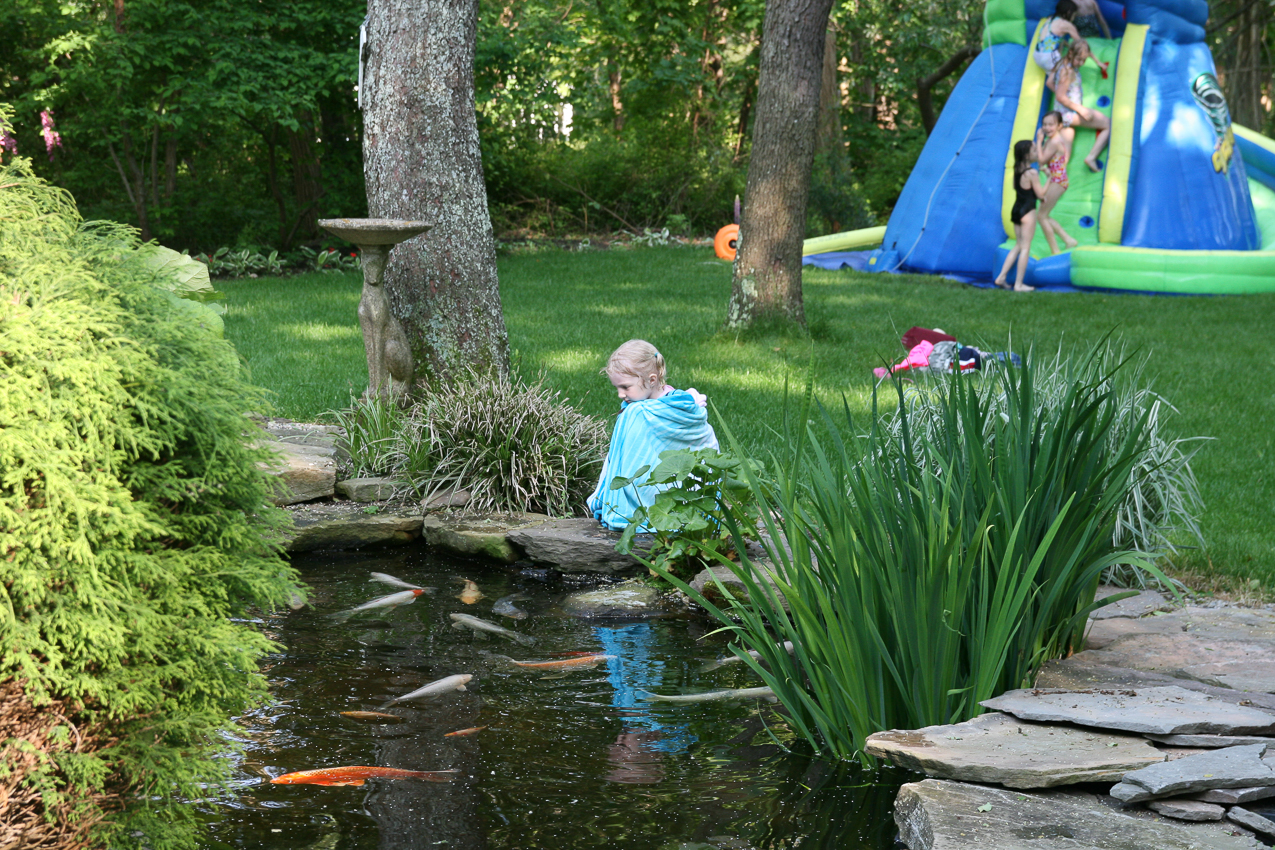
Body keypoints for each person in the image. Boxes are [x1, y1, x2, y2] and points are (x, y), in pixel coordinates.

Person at [586, 340, 718, 530]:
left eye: (625, 387)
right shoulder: (637, 408)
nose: (620, 394)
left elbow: (696, 438)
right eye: (617, 388)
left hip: (675, 482)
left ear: (652, 380)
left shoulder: (671, 408)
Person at [1048, 41, 1111, 172]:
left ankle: (1055, 178)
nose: (1081, 63)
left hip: (1060, 114)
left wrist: (1062, 91)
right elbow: (1060, 96)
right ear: (1071, 53)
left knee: (1065, 153)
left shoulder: (1061, 63)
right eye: (1079, 59)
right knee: (1108, 124)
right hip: (1070, 113)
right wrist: (1080, 109)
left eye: (1084, 60)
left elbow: (1049, 82)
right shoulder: (1068, 72)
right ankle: (1091, 157)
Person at [994, 140, 1048, 292]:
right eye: (1034, 151)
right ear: (1026, 155)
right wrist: (1049, 178)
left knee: (1018, 245)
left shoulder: (1017, 170)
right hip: (1028, 211)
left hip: (1017, 209)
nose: (1037, 153)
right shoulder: (1032, 172)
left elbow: (1017, 188)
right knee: (1025, 248)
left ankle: (1001, 277)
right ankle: (1018, 285)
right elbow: (1040, 194)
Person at [1035, 111, 1080, 254]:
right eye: (1045, 125)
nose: (1047, 128)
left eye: (1051, 125)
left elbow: (1041, 160)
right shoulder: (1051, 140)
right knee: (1044, 215)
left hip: (1058, 181)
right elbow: (1042, 158)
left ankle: (1055, 250)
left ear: (1059, 126)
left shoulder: (1054, 141)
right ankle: (1068, 240)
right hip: (1057, 180)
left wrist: (1038, 140)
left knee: (1041, 216)